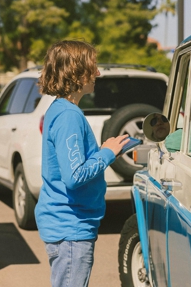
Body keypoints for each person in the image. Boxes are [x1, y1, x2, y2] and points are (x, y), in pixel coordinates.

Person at [34, 40, 130, 287]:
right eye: (93, 67)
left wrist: (108, 150)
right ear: (75, 71)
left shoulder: (60, 109)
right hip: (71, 229)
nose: (98, 73)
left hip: (68, 227)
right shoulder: (68, 116)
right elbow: (74, 176)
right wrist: (106, 154)